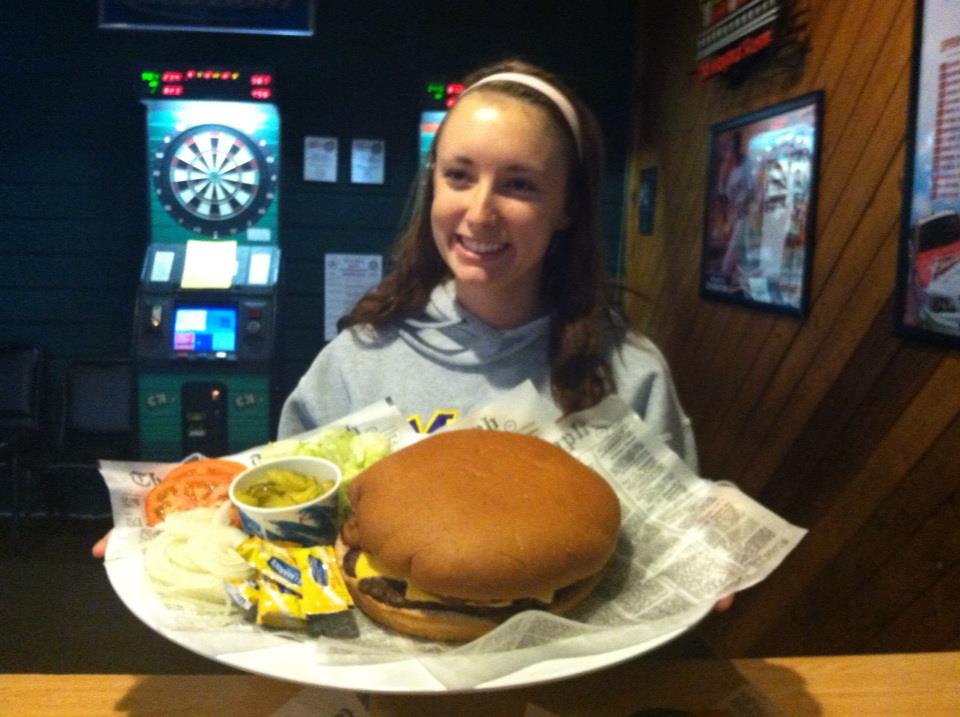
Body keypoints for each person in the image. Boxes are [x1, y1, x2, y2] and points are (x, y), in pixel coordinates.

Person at [94, 58, 732, 611]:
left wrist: (710, 526)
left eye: (519, 185)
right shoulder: (356, 359)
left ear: (567, 206)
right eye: (459, 176)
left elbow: (670, 533)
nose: (480, 211)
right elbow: (288, 529)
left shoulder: (631, 371)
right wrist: (180, 536)